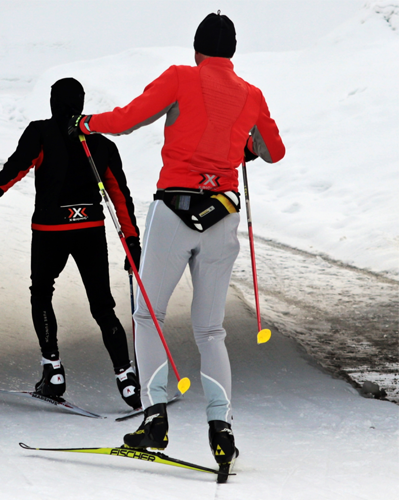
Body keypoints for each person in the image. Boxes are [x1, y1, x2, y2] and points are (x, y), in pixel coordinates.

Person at [68, 12, 285, 466]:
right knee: (210, 329)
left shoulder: (181, 78)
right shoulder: (252, 94)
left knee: (149, 316)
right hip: (222, 215)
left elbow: (128, 120)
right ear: (232, 53)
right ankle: (221, 428)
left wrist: (87, 123)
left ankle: (155, 421)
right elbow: (273, 151)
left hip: (174, 212)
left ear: (197, 49)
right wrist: (244, 146)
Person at [0, 78, 142, 410]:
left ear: (53, 103)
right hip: (90, 227)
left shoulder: (40, 133)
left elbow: (15, 169)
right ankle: (127, 380)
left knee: (42, 293)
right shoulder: (101, 144)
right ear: (81, 103)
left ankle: (53, 373)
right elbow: (120, 196)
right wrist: (132, 241)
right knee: (103, 306)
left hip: (50, 230)